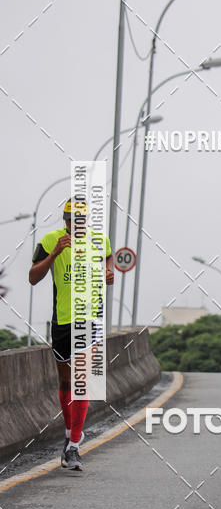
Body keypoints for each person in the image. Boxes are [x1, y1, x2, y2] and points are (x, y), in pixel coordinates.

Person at [28, 198, 113, 471]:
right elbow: (32, 277)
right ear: (64, 221)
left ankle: (74, 446)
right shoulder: (50, 240)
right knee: (66, 382)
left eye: (79, 221)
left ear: (85, 221)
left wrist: (109, 271)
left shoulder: (99, 240)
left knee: (81, 381)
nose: (74, 225)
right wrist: (54, 254)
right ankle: (70, 433)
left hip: (89, 319)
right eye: (69, 221)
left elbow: (108, 258)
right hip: (62, 320)